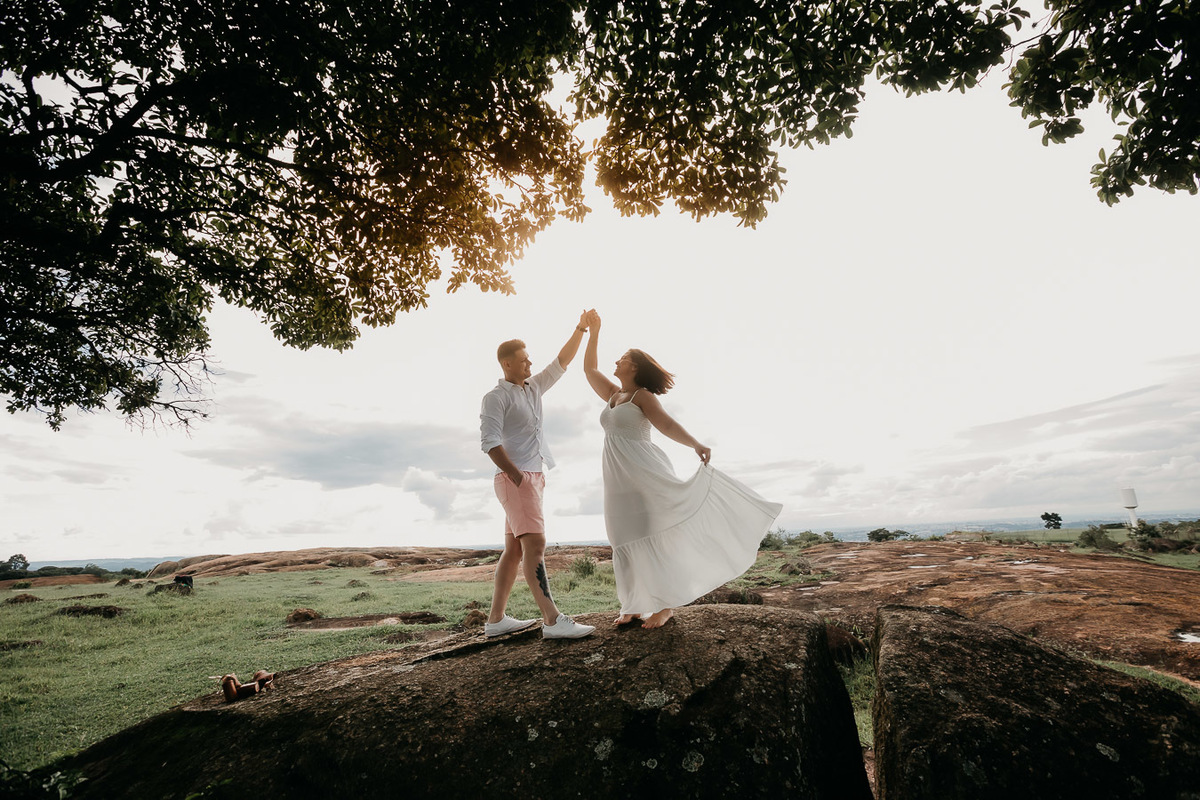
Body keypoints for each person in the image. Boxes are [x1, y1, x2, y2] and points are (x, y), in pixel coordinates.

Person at [582, 310, 783, 629]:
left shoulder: (642, 396)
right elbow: (589, 369)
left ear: (634, 367)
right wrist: (592, 332)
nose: (616, 362)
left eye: (622, 358)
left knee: (650, 536)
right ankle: (633, 604)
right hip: (617, 479)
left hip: (645, 473)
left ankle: (665, 606)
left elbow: (667, 424)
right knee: (621, 537)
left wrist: (695, 444)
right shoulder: (613, 394)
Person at [480, 315, 596, 640]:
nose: (529, 363)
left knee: (514, 550)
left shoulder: (533, 387)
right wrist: (517, 477)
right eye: (523, 360)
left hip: (532, 476)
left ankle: (496, 620)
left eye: (529, 359)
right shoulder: (496, 397)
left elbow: (561, 362)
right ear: (507, 364)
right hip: (516, 479)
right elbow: (489, 442)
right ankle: (552, 620)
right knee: (535, 544)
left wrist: (581, 329)